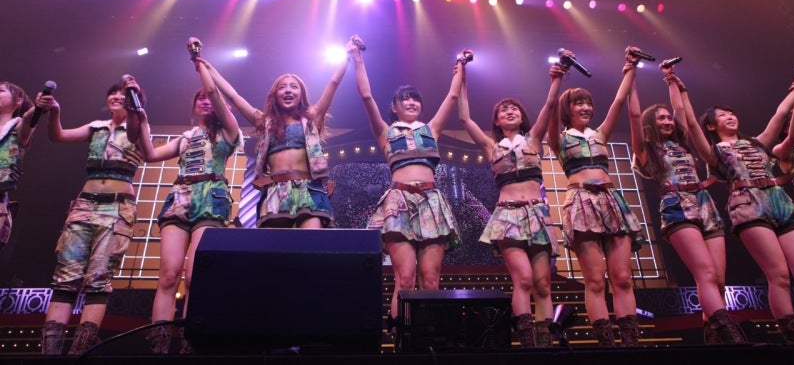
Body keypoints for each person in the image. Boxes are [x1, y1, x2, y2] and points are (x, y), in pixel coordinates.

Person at [672, 66, 794, 344]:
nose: (730, 116)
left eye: (731, 113)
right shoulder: (714, 152)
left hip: (780, 201)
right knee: (779, 275)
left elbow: (780, 114)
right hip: (748, 205)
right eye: (722, 115)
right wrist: (681, 90)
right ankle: (792, 338)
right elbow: (691, 124)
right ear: (712, 126)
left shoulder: (757, 142)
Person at [136, 38, 242, 354]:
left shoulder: (229, 131)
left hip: (212, 197)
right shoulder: (185, 137)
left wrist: (198, 61)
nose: (205, 101)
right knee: (168, 275)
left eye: (209, 98)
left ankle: (190, 343)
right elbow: (150, 155)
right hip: (180, 197)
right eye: (200, 99)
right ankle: (158, 344)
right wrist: (142, 120)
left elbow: (214, 92)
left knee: (195, 276)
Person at [351, 37, 464, 329]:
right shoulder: (386, 132)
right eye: (405, 99)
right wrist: (357, 58)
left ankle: (426, 337)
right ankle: (402, 339)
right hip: (398, 203)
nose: (411, 102)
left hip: (431, 202)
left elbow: (452, 97)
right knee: (405, 278)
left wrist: (460, 66)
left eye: (415, 99)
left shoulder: (431, 130)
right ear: (394, 107)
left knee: (431, 279)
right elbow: (366, 96)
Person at [628, 65, 746, 343]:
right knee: (705, 273)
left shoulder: (681, 142)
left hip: (705, 205)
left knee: (718, 280)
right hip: (677, 207)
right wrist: (631, 76)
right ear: (650, 123)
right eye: (661, 118)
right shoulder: (645, 150)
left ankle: (713, 336)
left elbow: (681, 111)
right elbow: (633, 115)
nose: (668, 121)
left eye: (668, 117)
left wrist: (671, 80)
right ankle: (731, 334)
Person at [458, 51, 567, 347]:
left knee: (543, 283)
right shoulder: (491, 147)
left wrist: (556, 79)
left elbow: (550, 105)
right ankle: (527, 340)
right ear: (496, 119)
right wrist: (462, 75)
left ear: (522, 116)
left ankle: (545, 343)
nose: (509, 111)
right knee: (524, 279)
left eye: (514, 108)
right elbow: (464, 117)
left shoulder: (534, 139)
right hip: (508, 216)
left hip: (537, 215)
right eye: (503, 110)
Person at [197, 37, 355, 228]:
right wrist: (206, 66)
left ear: (301, 94)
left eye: (294, 87)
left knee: (311, 244)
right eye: (282, 87)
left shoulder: (311, 118)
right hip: (275, 194)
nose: (288, 90)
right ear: (275, 95)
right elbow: (233, 95)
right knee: (275, 246)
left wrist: (347, 55)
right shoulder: (264, 122)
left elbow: (333, 82)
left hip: (309, 191)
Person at [546, 47, 644, 347]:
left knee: (623, 277)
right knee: (595, 279)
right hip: (581, 201)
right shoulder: (560, 139)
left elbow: (619, 102)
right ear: (568, 109)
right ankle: (606, 342)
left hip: (611, 201)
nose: (586, 107)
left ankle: (630, 341)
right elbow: (550, 109)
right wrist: (558, 78)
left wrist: (630, 67)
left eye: (588, 102)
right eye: (579, 103)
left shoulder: (599, 134)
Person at [40, 77, 145, 355]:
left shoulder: (138, 123)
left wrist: (134, 93)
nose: (117, 97)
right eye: (113, 93)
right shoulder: (96, 127)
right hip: (85, 204)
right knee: (65, 276)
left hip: (117, 207)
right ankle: (50, 353)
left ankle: (80, 351)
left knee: (98, 278)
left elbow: (138, 132)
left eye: (123, 94)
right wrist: (55, 112)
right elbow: (58, 136)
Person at [0, 82, 36, 251]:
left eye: (1, 91)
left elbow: (29, 119)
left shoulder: (18, 128)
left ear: (18, 100)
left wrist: (39, 107)